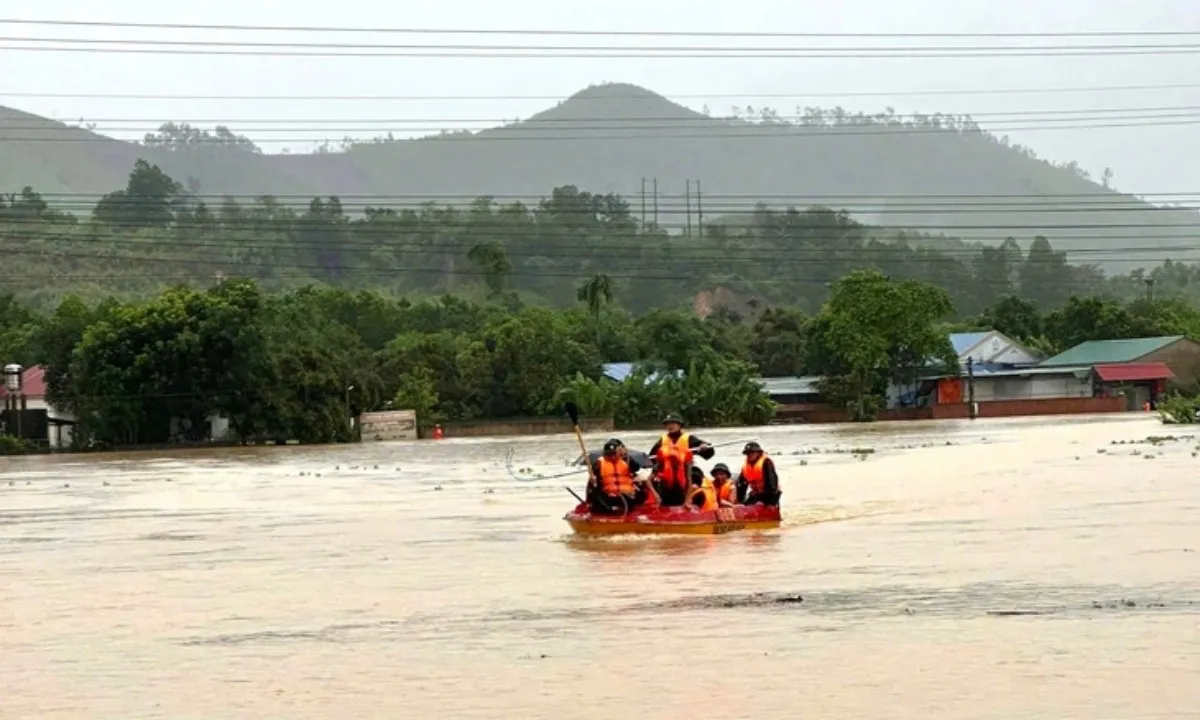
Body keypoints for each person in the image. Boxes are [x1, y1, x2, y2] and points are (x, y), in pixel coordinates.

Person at [647, 414, 715, 507]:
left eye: (673, 423)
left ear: (679, 425)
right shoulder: (663, 440)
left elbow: (709, 453)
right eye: (668, 424)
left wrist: (704, 445)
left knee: (692, 477)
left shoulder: (688, 438)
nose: (670, 426)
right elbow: (652, 458)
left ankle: (688, 501)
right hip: (667, 476)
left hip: (684, 472)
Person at [589, 438, 646, 515]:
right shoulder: (599, 464)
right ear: (604, 454)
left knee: (642, 494)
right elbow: (595, 484)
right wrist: (593, 482)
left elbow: (636, 467)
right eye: (609, 454)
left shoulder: (625, 460)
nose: (612, 457)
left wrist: (625, 454)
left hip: (627, 494)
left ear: (618, 453)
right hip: (610, 496)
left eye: (614, 454)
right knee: (596, 497)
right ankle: (608, 509)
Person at [737, 441, 780, 506]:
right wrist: (740, 502)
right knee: (744, 505)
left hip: (771, 495)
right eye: (748, 453)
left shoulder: (766, 463)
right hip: (756, 495)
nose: (750, 455)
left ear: (758, 453)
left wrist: (767, 502)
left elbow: (772, 484)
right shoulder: (745, 467)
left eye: (752, 452)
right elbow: (742, 486)